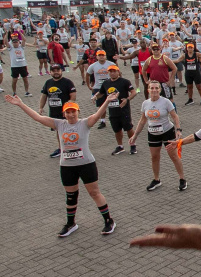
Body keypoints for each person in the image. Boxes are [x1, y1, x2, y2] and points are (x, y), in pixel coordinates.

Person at [5, 93, 118, 237]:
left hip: (86, 164)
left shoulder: (85, 123)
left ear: (78, 112)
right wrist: (20, 104)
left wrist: (107, 101)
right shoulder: (59, 124)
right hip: (67, 167)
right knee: (71, 195)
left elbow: (97, 115)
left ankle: (109, 221)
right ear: (64, 114)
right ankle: (71, 224)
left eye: (73, 111)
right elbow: (37, 118)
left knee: (94, 193)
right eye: (68, 112)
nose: (71, 115)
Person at [130, 80, 187, 192]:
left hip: (167, 131)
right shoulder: (145, 103)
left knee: (173, 156)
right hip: (152, 133)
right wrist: (135, 135)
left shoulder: (165, 102)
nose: (154, 90)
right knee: (154, 157)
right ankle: (156, 180)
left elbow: (175, 116)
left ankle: (182, 179)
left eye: (156, 88)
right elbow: (142, 121)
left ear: (160, 90)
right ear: (148, 90)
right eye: (152, 88)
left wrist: (178, 130)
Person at [95, 65, 138, 155]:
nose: (112, 73)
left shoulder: (125, 82)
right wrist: (95, 97)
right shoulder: (106, 83)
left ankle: (133, 145)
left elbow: (134, 92)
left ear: (118, 72)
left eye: (114, 71)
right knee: (117, 130)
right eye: (110, 71)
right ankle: (120, 146)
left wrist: (127, 99)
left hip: (124, 110)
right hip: (112, 111)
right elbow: (101, 93)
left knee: (128, 128)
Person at [39, 63, 77, 158]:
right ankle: (61, 148)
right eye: (53, 70)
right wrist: (41, 107)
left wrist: (68, 108)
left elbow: (73, 95)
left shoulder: (67, 82)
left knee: (69, 130)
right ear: (50, 72)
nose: (56, 72)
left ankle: (73, 148)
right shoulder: (48, 83)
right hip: (54, 112)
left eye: (58, 70)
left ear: (61, 71)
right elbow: (44, 96)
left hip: (66, 112)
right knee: (59, 131)